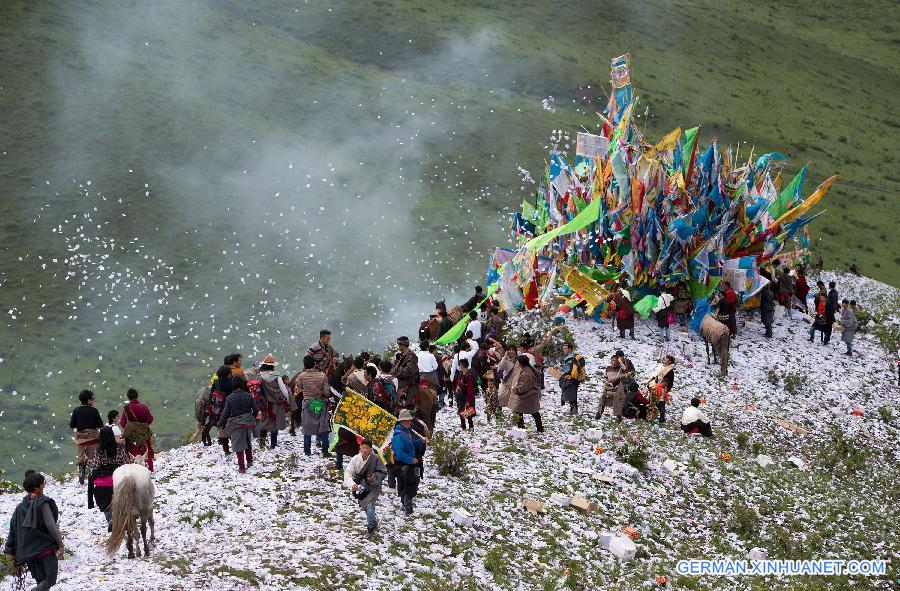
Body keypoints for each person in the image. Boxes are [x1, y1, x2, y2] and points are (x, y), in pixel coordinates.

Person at [4, 471, 64, 591]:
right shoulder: (42, 503)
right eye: (42, 483)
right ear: (36, 488)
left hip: (29, 552)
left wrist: (9, 550)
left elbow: (13, 530)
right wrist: (60, 544)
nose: (44, 485)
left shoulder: (20, 507)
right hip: (45, 550)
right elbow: (50, 525)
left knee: (41, 581)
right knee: (51, 579)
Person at [87, 426, 132, 530]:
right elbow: (126, 462)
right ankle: (123, 518)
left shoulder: (99, 450)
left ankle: (110, 519)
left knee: (104, 502)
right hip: (119, 477)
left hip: (104, 481)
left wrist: (89, 461)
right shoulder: (120, 447)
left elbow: (96, 465)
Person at [343, 438, 387, 534]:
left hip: (374, 486)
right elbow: (348, 473)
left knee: (369, 504)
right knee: (366, 505)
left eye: (367, 448)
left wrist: (374, 477)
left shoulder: (375, 458)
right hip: (361, 487)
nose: (365, 450)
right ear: (360, 448)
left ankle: (370, 525)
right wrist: (352, 484)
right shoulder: (355, 459)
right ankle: (374, 522)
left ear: (371, 449)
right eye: (363, 448)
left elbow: (383, 472)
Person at [218, 375, 259, 473]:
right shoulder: (249, 396)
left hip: (235, 424)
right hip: (248, 423)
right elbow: (256, 410)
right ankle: (250, 461)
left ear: (233, 385)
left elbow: (226, 412)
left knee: (238, 446)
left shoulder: (230, 398)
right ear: (243, 385)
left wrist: (221, 423)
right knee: (248, 442)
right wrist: (250, 417)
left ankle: (242, 467)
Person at [294, 355, 332, 457]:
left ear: (304, 365)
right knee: (323, 428)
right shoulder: (323, 375)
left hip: (308, 404)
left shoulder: (301, 376)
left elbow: (298, 389)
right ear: (315, 364)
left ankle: (307, 452)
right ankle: (325, 451)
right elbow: (326, 392)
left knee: (307, 429)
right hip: (320, 403)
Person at [391, 409, 427, 515]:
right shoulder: (398, 436)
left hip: (408, 464)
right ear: (402, 421)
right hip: (404, 465)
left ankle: (404, 505)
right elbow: (399, 454)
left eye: (409, 420)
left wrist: (420, 442)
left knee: (406, 485)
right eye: (407, 420)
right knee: (410, 486)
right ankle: (408, 508)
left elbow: (412, 444)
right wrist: (411, 460)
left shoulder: (408, 431)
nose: (409, 422)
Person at [69, 390, 103, 485]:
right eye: (92, 399)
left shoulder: (76, 410)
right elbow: (100, 424)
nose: (93, 400)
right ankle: (91, 473)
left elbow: (72, 425)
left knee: (81, 456)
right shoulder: (94, 410)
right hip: (93, 439)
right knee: (92, 458)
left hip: (81, 439)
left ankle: (81, 468)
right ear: (88, 400)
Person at [256, 355, 290, 450]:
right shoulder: (276, 376)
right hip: (275, 403)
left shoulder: (260, 376)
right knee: (274, 422)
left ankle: (262, 444)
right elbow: (283, 390)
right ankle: (273, 445)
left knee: (264, 422)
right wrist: (287, 400)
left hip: (264, 403)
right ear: (273, 366)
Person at [120, 389, 155, 471]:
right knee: (146, 449)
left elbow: (123, 423)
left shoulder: (127, 408)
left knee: (133, 451)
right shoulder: (144, 407)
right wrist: (142, 426)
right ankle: (149, 467)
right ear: (137, 396)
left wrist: (132, 427)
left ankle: (135, 469)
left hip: (132, 435)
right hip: (144, 433)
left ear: (128, 397)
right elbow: (150, 419)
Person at [509, 355, 544, 432]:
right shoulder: (528, 369)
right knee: (534, 412)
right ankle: (539, 428)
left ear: (521, 363)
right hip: (531, 395)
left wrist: (515, 388)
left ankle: (521, 428)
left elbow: (524, 387)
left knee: (518, 411)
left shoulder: (526, 373)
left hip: (528, 396)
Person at [203, 366, 232, 448]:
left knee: (222, 428)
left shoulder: (216, 382)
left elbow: (211, 395)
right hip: (230, 409)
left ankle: (225, 448)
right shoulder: (232, 382)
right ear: (228, 374)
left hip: (219, 410)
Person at [391, 336, 420, 408]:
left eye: (399, 345)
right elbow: (396, 368)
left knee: (396, 385)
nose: (398, 346)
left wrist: (396, 370)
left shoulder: (411, 356)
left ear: (403, 345)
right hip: (402, 377)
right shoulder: (402, 355)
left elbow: (407, 372)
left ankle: (401, 405)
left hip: (410, 379)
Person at [646, 355, 675, 424]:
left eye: (666, 359)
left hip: (662, 389)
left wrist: (666, 391)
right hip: (654, 386)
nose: (664, 359)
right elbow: (656, 376)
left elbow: (670, 383)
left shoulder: (670, 371)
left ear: (669, 362)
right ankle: (651, 416)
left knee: (661, 404)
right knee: (652, 402)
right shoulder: (660, 367)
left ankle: (662, 419)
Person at [556, 342, 582, 415]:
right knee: (572, 393)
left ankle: (574, 409)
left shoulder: (571, 357)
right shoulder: (568, 356)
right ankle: (573, 409)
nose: (564, 350)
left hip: (571, 378)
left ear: (570, 349)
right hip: (574, 378)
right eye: (563, 348)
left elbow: (567, 369)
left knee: (572, 394)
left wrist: (559, 368)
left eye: (566, 348)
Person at [454, 358, 476, 430]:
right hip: (461, 397)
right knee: (461, 413)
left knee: (468, 414)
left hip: (467, 398)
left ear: (463, 366)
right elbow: (458, 382)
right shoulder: (461, 373)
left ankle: (471, 427)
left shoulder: (469, 376)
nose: (459, 366)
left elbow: (470, 389)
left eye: (460, 365)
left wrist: (468, 401)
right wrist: (458, 387)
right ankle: (463, 427)